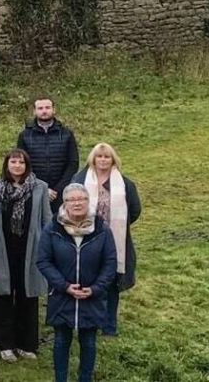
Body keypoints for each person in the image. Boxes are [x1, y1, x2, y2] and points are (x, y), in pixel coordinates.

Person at [36, 184, 117, 382]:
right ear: (64, 203)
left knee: (88, 342)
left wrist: (96, 288)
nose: (77, 203)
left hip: (92, 297)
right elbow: (43, 261)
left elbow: (110, 263)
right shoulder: (52, 228)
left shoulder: (102, 229)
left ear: (88, 201)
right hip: (61, 296)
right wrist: (64, 286)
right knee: (61, 341)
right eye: (71, 200)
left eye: (81, 199)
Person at [0, 149, 51, 362]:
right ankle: (4, 344)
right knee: (3, 295)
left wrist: (49, 251)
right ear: (7, 164)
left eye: (21, 162)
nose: (17, 166)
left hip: (31, 250)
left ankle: (26, 344)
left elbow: (47, 221)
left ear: (27, 165)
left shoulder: (40, 187)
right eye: (13, 162)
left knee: (28, 295)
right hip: (2, 249)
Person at [72, 143, 141, 337]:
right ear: (93, 159)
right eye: (99, 156)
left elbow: (135, 210)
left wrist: (118, 225)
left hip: (113, 241)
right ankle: (88, 322)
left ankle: (109, 326)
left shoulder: (125, 184)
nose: (103, 160)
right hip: (86, 238)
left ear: (113, 160)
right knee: (87, 279)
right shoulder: (79, 180)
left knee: (110, 282)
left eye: (107, 157)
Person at [16, 96, 79, 214]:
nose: (44, 111)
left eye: (47, 107)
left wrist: (58, 189)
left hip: (61, 193)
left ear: (54, 110)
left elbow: (73, 163)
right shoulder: (25, 135)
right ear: (34, 111)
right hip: (33, 190)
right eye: (40, 108)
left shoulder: (66, 134)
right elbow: (21, 164)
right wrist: (41, 187)